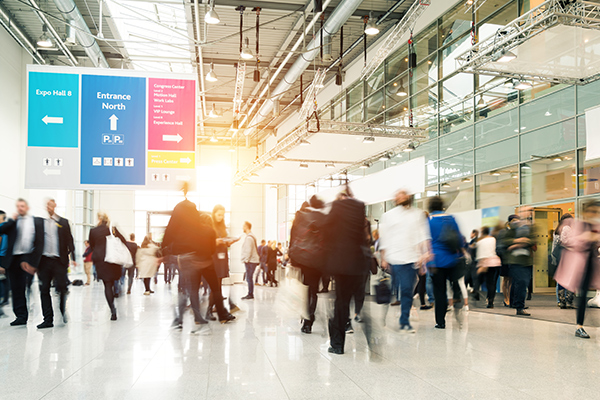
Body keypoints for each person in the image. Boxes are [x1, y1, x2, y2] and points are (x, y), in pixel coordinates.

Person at [162, 183, 235, 328]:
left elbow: (168, 236)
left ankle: (182, 318)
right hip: (200, 261)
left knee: (188, 288)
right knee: (210, 287)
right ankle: (209, 315)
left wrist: (164, 252)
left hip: (183, 260)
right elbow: (209, 249)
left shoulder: (179, 223)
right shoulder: (202, 228)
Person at [324, 187, 370, 355]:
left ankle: (337, 345)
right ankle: (370, 338)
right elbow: (366, 238)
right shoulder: (359, 209)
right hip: (358, 263)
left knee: (340, 304)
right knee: (356, 300)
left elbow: (326, 233)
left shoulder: (336, 209)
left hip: (342, 265)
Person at [380, 190, 432, 333]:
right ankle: (383, 316)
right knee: (393, 289)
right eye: (399, 195)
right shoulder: (388, 216)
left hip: (411, 259)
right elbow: (384, 238)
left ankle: (404, 321)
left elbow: (423, 235)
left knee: (407, 290)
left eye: (404, 194)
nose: (402, 197)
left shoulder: (418, 214)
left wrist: (426, 254)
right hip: (394, 258)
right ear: (395, 199)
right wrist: (383, 258)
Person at [554, 201, 600, 339]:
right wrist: (586, 238)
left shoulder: (596, 226)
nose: (594, 214)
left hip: (592, 264)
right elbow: (569, 242)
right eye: (592, 211)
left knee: (584, 295)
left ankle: (580, 322)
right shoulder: (578, 225)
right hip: (579, 266)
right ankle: (579, 326)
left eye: (596, 212)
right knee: (582, 295)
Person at [0, 198, 45, 326]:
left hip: (28, 258)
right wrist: (11, 221)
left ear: (27, 207)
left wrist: (34, 263)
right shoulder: (13, 222)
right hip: (14, 259)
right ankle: (21, 316)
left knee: (29, 286)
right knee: (16, 289)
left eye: (22, 206)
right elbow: (1, 231)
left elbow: (39, 243)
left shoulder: (35, 222)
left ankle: (38, 314)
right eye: (18, 206)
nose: (20, 208)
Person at [289, 196, 327, 334]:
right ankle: (309, 320)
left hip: (304, 260)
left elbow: (293, 239)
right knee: (313, 290)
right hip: (317, 261)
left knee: (305, 289)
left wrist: (293, 258)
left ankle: (306, 317)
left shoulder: (299, 219)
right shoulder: (320, 219)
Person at [37, 199, 76, 329]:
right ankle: (48, 319)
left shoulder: (63, 222)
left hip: (59, 261)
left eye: (51, 204)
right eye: (47, 204)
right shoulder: (41, 223)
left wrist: (73, 257)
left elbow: (70, 240)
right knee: (44, 289)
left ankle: (62, 309)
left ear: (55, 206)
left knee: (62, 287)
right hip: (45, 261)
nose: (49, 207)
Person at [427, 196, 465, 329]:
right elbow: (459, 238)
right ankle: (457, 299)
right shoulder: (451, 218)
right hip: (452, 258)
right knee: (455, 282)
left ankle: (440, 321)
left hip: (436, 261)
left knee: (439, 291)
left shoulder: (429, 220)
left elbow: (426, 241)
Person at [89, 212, 126, 321]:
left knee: (107, 285)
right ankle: (117, 292)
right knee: (115, 280)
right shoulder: (112, 229)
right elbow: (123, 241)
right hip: (114, 260)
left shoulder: (93, 231)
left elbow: (92, 246)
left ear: (99, 219)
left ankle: (112, 310)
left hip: (101, 260)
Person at [207, 204, 240, 321]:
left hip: (222, 257)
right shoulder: (209, 225)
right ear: (214, 213)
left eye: (222, 215)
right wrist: (215, 242)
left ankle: (217, 308)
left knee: (218, 285)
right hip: (214, 258)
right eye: (219, 214)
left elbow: (225, 241)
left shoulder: (222, 227)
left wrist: (229, 242)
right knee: (215, 285)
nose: (220, 217)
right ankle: (209, 310)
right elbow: (206, 242)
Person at [502, 208, 536, 316]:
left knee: (523, 283)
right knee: (519, 282)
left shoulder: (530, 227)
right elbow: (505, 240)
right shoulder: (513, 228)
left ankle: (518, 304)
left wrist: (523, 242)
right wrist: (517, 241)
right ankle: (518, 306)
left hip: (526, 260)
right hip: (515, 260)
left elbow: (533, 240)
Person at [475, 226, 501, 308]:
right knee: (491, 283)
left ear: (482, 232)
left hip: (484, 262)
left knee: (478, 279)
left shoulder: (480, 242)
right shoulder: (493, 239)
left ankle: (476, 293)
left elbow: (480, 254)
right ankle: (491, 301)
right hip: (494, 262)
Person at [552, 214, 575, 309]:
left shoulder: (557, 230)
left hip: (559, 256)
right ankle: (568, 301)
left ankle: (561, 301)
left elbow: (554, 245)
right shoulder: (567, 228)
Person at [241, 221, 260, 299]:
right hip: (252, 260)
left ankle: (250, 294)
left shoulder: (249, 238)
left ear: (246, 227)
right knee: (249, 277)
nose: (242, 228)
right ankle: (250, 293)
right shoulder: (252, 236)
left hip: (250, 261)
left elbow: (249, 250)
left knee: (249, 277)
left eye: (243, 226)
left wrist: (246, 260)